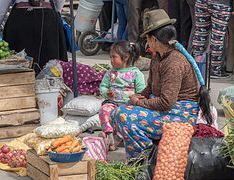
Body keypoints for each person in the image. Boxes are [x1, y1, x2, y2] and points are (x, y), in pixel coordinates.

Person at [111, 9, 213, 159]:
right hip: (165, 109)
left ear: (154, 39)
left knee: (124, 116)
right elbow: (150, 87)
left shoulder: (174, 63)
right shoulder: (158, 56)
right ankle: (150, 150)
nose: (147, 41)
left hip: (179, 115)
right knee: (116, 112)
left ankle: (145, 158)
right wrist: (139, 97)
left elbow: (167, 102)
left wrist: (139, 103)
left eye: (147, 38)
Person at [0, 0, 68, 74]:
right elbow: (59, 4)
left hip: (21, 20)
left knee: (19, 62)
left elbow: (2, 9)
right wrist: (54, 11)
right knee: (49, 64)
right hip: (48, 19)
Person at [99, 41, 146, 151]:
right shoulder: (110, 73)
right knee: (104, 110)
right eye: (110, 57)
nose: (111, 60)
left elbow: (142, 92)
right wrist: (107, 92)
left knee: (124, 117)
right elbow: (103, 86)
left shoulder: (136, 73)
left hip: (128, 105)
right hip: (112, 103)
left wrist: (135, 98)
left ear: (126, 57)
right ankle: (109, 135)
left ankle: (117, 139)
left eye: (114, 57)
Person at [192, 0, 233, 78]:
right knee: (217, 38)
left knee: (200, 35)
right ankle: (215, 70)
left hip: (201, 2)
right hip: (221, 4)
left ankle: (196, 66)